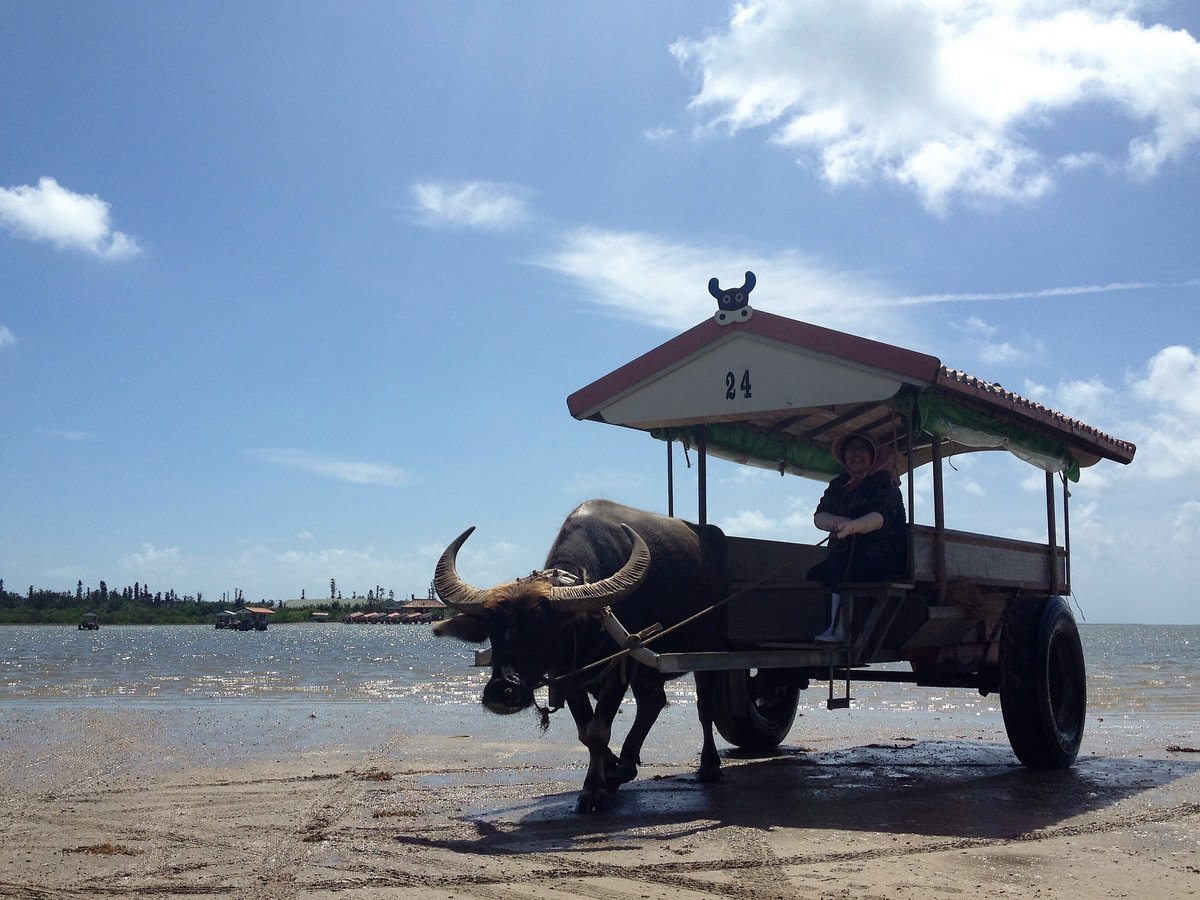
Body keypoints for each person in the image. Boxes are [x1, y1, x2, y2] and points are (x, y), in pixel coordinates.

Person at [807, 432, 907, 642]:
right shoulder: (838, 484)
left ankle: (840, 630)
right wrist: (836, 522)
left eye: (862, 448)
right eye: (852, 449)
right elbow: (819, 516)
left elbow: (880, 518)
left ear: (873, 454)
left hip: (882, 553)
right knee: (815, 573)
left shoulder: (884, 482)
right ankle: (830, 626)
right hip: (845, 553)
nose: (857, 453)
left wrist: (852, 527)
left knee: (841, 566)